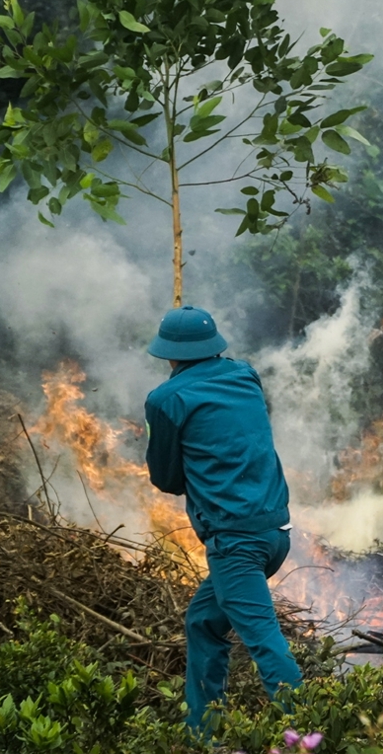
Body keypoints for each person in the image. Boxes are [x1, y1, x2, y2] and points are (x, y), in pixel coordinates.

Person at [143, 305, 302, 730]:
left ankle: (312, 732)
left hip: (236, 544)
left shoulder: (165, 400)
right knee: (202, 621)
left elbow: (166, 479)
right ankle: (202, 731)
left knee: (264, 642)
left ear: (168, 354)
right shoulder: (245, 374)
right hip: (276, 533)